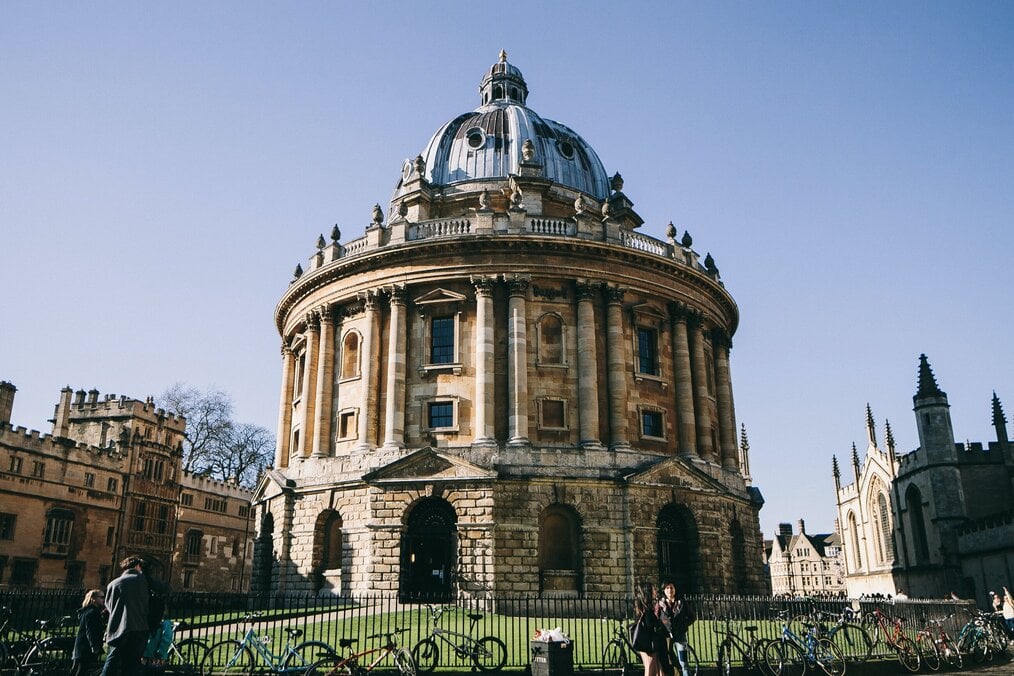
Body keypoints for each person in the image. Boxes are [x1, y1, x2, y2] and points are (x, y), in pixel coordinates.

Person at [102, 556, 150, 676]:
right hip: (138, 628)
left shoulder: (113, 584)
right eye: (140, 567)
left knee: (112, 661)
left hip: (117, 628)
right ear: (137, 566)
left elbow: (108, 606)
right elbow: (164, 589)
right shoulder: (142, 579)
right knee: (132, 664)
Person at [656, 582, 693, 676]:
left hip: (680, 635)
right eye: (667, 588)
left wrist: (683, 626)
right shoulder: (660, 604)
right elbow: (656, 618)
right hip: (666, 635)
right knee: (668, 661)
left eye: (671, 587)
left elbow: (692, 617)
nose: (669, 590)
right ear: (664, 590)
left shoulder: (681, 602)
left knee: (683, 662)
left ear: (675, 589)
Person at [632, 581, 667, 676]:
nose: (655, 591)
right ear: (649, 592)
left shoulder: (644, 607)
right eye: (653, 589)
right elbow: (651, 627)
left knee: (654, 669)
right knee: (650, 669)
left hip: (647, 644)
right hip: (649, 645)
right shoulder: (647, 610)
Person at [71, 589, 106, 676]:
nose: (104, 599)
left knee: (78, 670)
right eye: (101, 597)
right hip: (86, 647)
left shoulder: (87, 611)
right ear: (93, 599)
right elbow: (90, 630)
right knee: (82, 670)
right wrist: (94, 646)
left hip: (81, 647)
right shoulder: (92, 612)